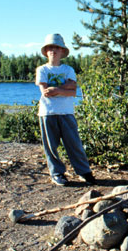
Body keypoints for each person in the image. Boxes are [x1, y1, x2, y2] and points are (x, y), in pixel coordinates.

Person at [35, 33, 96, 186]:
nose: (53, 51)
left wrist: (56, 89)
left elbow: (73, 91)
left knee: (74, 143)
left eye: (56, 48)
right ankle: (57, 173)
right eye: (50, 48)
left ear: (62, 51)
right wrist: (63, 89)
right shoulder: (42, 70)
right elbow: (45, 92)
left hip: (67, 112)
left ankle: (84, 172)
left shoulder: (68, 69)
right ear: (46, 51)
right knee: (51, 146)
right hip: (47, 112)